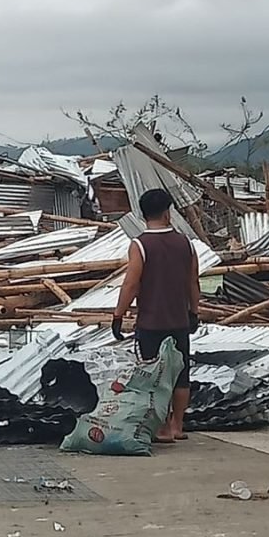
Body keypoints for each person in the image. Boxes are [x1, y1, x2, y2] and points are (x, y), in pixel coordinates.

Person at [111, 187, 199, 442]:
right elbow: (193, 281)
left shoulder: (140, 244)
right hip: (180, 320)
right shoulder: (186, 243)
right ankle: (177, 427)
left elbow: (131, 283)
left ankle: (160, 428)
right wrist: (194, 312)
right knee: (181, 375)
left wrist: (118, 315)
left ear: (143, 214)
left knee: (153, 378)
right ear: (167, 213)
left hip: (151, 322)